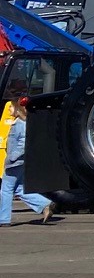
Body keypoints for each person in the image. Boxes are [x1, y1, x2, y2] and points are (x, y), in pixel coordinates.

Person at [1, 81, 55, 226]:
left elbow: (23, 144)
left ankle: (3, 219)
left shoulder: (19, 124)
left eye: (11, 106)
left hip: (15, 161)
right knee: (18, 188)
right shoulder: (24, 123)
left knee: (5, 190)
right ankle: (44, 205)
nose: (9, 109)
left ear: (17, 108)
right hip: (21, 161)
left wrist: (12, 157)